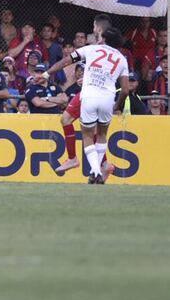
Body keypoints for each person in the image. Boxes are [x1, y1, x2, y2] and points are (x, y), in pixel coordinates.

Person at [40, 27, 129, 184]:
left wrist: (46, 74)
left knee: (87, 134)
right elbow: (125, 89)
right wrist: (116, 105)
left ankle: (94, 170)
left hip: (88, 96)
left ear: (104, 39)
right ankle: (98, 169)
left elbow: (67, 60)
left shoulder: (91, 49)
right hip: (108, 98)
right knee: (101, 134)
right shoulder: (122, 58)